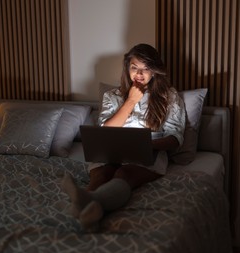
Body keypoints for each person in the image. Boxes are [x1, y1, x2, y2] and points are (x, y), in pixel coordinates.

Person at [62, 43, 186, 231]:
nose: (139, 74)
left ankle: (88, 207)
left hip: (148, 152)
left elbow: (175, 137)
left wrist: (146, 145)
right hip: (111, 150)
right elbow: (105, 131)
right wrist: (130, 101)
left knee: (123, 174)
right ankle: (87, 211)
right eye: (134, 68)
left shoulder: (168, 96)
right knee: (101, 175)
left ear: (154, 72)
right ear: (127, 69)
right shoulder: (112, 96)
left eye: (146, 69)